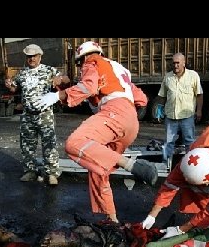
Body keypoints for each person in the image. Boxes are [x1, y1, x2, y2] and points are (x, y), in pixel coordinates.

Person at [31, 41, 157, 223]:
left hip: (113, 112)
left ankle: (132, 165)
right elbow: (142, 99)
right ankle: (110, 221)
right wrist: (65, 88)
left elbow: (87, 87)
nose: (81, 67)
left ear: (84, 57)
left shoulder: (92, 62)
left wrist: (57, 95)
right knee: (97, 168)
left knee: (75, 143)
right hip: (129, 120)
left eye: (79, 63)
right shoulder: (116, 69)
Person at [4, 44, 62, 186]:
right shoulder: (22, 73)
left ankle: (51, 173)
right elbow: (14, 88)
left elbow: (64, 78)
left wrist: (58, 80)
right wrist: (9, 85)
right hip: (27, 115)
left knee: (49, 144)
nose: (31, 59)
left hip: (44, 114)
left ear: (40, 56)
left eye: (34, 56)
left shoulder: (48, 70)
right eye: (29, 56)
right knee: (27, 145)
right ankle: (30, 171)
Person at [157, 53, 204, 164]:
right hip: (171, 116)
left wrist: (199, 111)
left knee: (189, 142)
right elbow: (162, 96)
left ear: (184, 62)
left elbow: (199, 94)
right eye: (173, 63)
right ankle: (166, 165)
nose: (175, 65)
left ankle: (191, 165)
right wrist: (159, 110)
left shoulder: (193, 76)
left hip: (187, 116)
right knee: (169, 142)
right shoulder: (167, 77)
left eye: (178, 63)